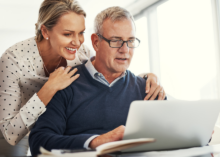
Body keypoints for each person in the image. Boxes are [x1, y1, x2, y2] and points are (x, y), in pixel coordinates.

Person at [0, 0, 165, 156]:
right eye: (115, 40)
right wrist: (95, 141)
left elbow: (107, 66)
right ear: (45, 32)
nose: (77, 42)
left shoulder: (80, 52)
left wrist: (144, 78)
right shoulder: (15, 60)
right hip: (15, 127)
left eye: (130, 41)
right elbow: (15, 134)